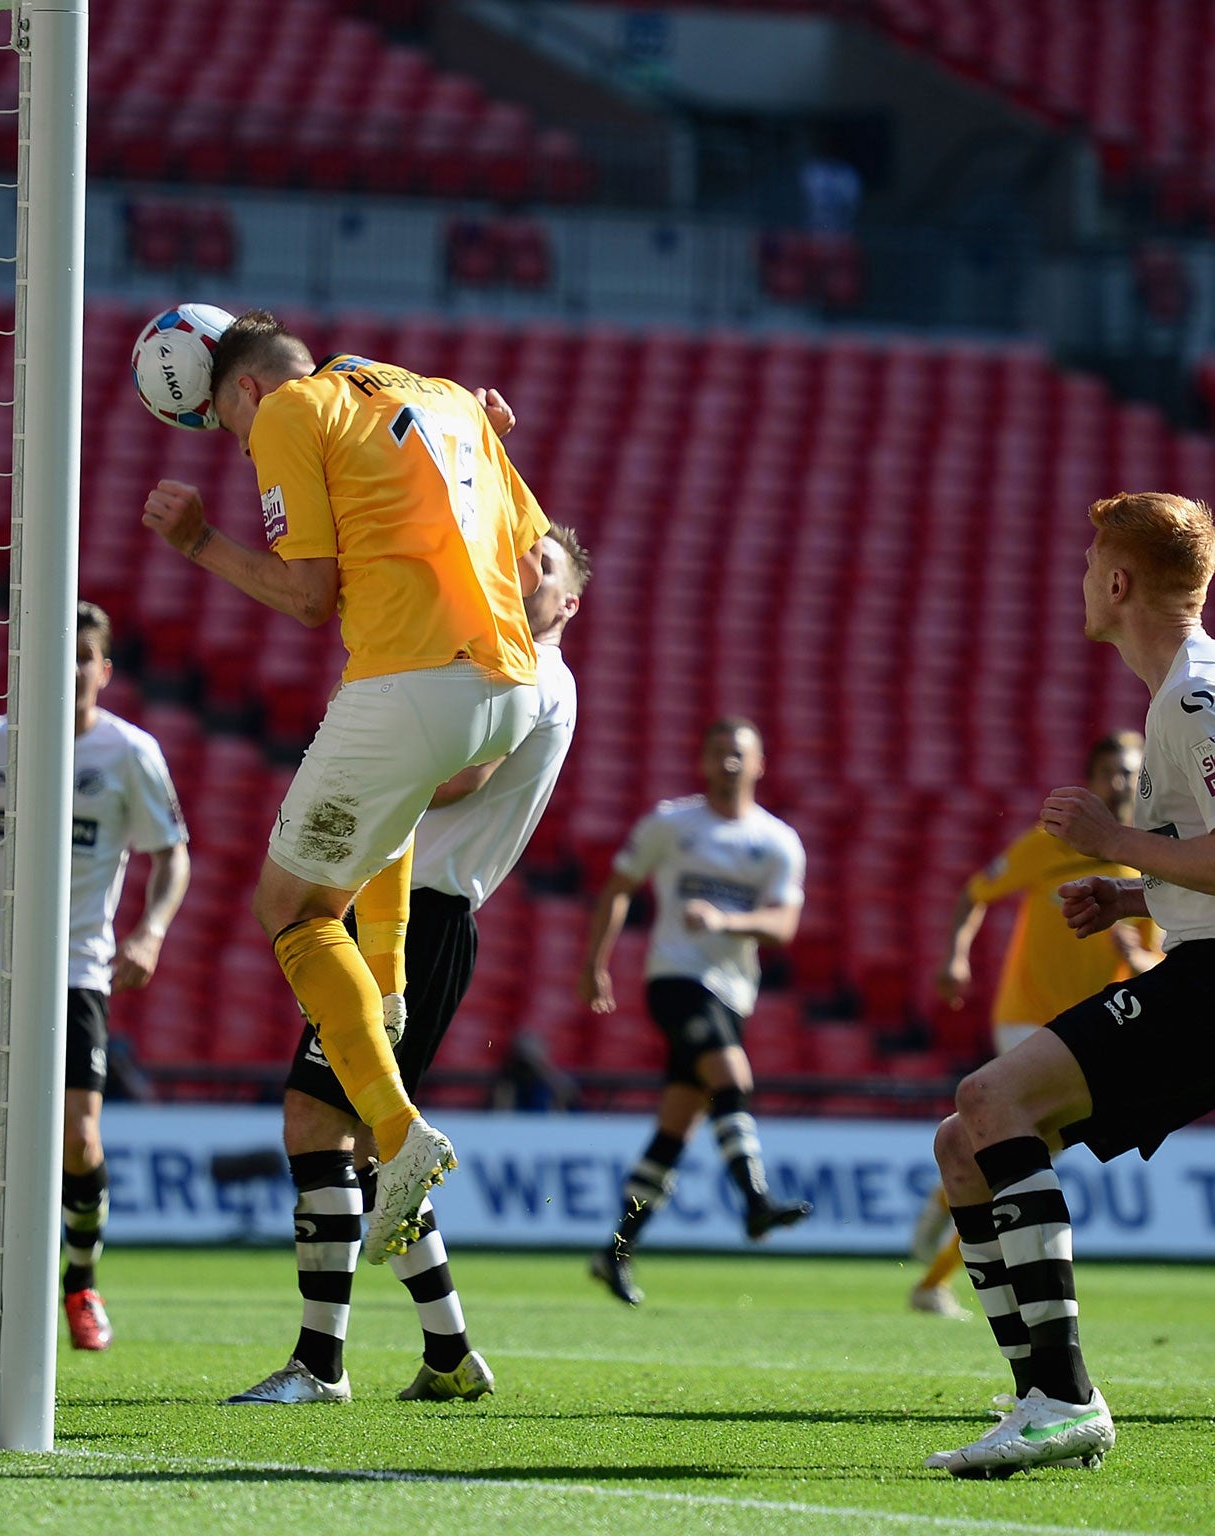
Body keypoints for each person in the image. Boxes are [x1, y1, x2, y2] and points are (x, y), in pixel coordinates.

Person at [925, 492, 1215, 1477]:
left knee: (991, 1096)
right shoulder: (1197, 686)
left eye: (1085, 564)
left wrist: (1109, 843)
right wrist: (1131, 890)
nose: (1077, 582)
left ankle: (1064, 1400)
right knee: (963, 1141)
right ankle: (1038, 1398)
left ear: (1115, 582)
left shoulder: (1195, 697)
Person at [142, 311, 546, 1264]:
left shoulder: (287, 407)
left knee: (287, 905)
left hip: (416, 679)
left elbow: (309, 595)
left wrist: (200, 542)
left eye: (230, 431)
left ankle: (399, 1134)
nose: (244, 445)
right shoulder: (447, 395)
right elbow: (532, 559)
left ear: (242, 391)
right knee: (378, 825)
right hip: (511, 685)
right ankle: (389, 997)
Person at [228, 524, 587, 1406]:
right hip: (420, 915)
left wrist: (362, 757)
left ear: (569, 603)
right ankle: (449, 1351)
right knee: (370, 1145)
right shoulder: (514, 664)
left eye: (542, 567)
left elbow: (459, 776)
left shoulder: (531, 670)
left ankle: (321, 1365)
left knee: (319, 1127)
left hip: (419, 918)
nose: (519, 569)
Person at [0, 601, 190, 1354]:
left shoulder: (129, 753)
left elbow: (172, 854)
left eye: (85, 657)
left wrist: (149, 932)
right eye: (59, 655)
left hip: (75, 971)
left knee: (80, 1142)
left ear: (104, 669)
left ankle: (80, 1285)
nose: (72, 670)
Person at [907, 733, 1162, 1319]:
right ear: (1091, 781)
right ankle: (933, 1281)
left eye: (1127, 773)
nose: (1117, 783)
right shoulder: (1047, 846)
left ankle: (946, 1203)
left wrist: (1137, 954)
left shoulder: (1151, 860)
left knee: (1012, 1159)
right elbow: (974, 892)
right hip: (1023, 1019)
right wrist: (955, 956)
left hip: (1087, 1031)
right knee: (1024, 1156)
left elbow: (1162, 963)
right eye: (1107, 772)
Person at [578, 717, 811, 1305]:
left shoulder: (779, 841)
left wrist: (726, 920)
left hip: (734, 991)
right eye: (717, 752)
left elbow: (784, 926)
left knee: (674, 1130)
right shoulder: (671, 823)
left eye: (738, 753)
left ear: (759, 764)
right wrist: (595, 961)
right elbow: (619, 885)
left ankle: (615, 1253)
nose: (727, 762)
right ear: (703, 761)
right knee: (732, 1077)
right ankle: (755, 1203)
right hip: (676, 980)